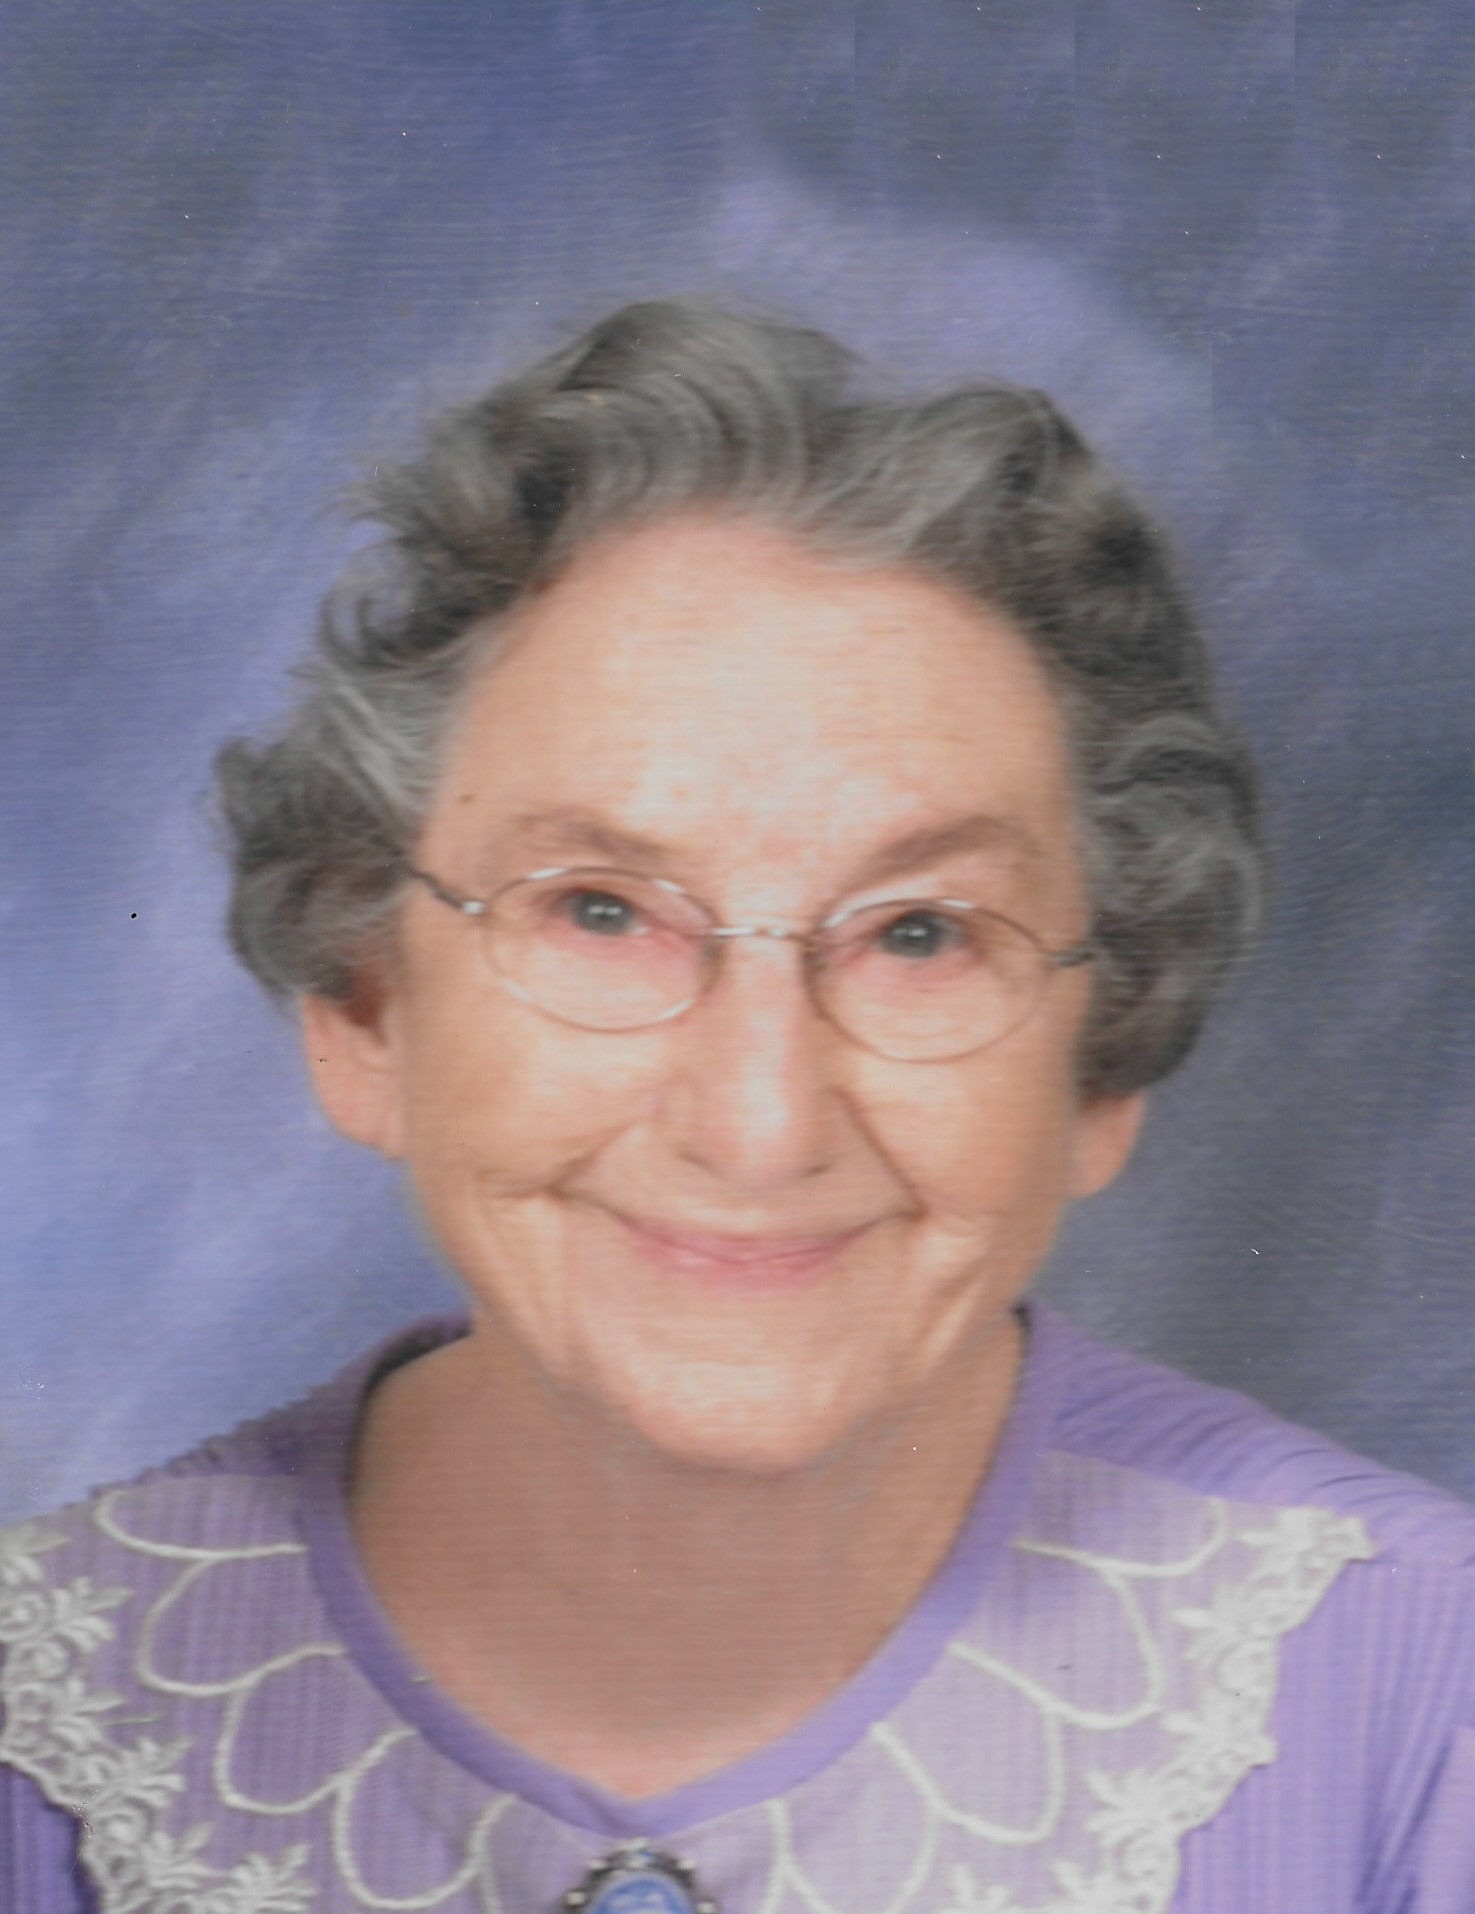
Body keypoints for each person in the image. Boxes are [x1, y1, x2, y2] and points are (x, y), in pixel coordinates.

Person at [2, 300, 1472, 1914]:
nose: (760, 1121)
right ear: (365, 1011)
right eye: (601, 910)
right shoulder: (37, 1733)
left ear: (1102, 1063)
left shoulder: (1425, 1700)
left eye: (921, 933)